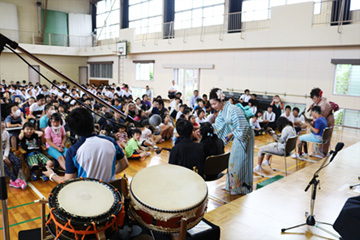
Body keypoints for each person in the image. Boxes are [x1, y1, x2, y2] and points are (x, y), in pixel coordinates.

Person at [43, 108, 129, 183]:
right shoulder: (111, 141)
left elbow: (67, 181)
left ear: (73, 129)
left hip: (87, 195)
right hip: (110, 191)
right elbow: (124, 164)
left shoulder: (74, 151)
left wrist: (52, 175)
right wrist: (111, 173)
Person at [210, 88, 254, 195]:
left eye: (215, 103)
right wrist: (206, 128)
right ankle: (231, 185)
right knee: (233, 161)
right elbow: (218, 126)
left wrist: (231, 134)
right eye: (211, 104)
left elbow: (243, 126)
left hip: (244, 136)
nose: (213, 106)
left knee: (240, 161)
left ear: (221, 100)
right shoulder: (222, 112)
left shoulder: (233, 109)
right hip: (238, 134)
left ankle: (239, 188)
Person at [308, 87, 334, 156]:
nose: (313, 100)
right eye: (312, 99)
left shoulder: (323, 104)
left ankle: (322, 152)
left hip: (327, 120)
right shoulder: (319, 103)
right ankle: (316, 151)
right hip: (323, 120)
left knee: (324, 136)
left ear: (319, 97)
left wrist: (312, 123)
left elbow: (318, 116)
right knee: (320, 135)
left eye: (314, 99)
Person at [1, 121, 27, 189]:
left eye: (3, 123)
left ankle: (13, 180)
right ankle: (15, 180)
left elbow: (7, 146)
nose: (3, 125)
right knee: (2, 165)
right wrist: (3, 159)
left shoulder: (6, 133)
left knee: (17, 160)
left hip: (4, 153)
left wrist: (5, 156)